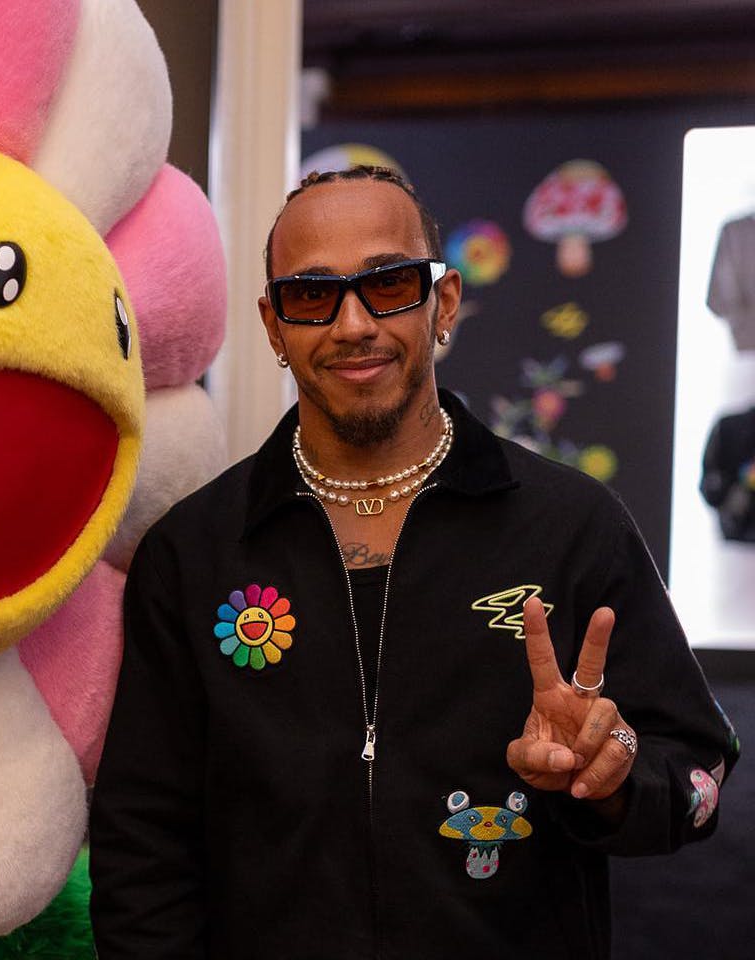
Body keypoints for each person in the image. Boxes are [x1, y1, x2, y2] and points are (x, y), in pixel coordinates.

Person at [88, 166, 739, 960]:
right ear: (273, 324)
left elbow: (696, 773)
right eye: (311, 294)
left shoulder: (570, 527)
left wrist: (608, 780)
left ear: (445, 303)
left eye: (388, 284)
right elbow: (141, 837)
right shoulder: (193, 552)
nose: (353, 323)